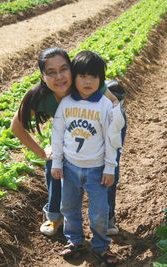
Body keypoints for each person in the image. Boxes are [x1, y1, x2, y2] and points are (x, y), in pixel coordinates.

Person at [11, 46, 125, 238]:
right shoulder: (39, 97)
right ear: (42, 76)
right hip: (71, 131)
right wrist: (42, 153)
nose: (59, 77)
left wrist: (108, 145)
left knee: (108, 169)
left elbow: (115, 106)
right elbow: (16, 127)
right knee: (53, 162)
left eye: (64, 69)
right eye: (51, 72)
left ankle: (107, 217)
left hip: (107, 126)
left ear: (72, 69)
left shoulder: (84, 84)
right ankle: (55, 216)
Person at [51, 50, 124, 265]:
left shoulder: (104, 106)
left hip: (97, 170)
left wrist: (110, 168)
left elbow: (112, 141)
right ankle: (75, 241)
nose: (88, 81)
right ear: (74, 77)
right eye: (82, 76)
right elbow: (57, 134)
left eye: (94, 77)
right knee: (68, 207)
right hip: (70, 168)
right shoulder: (65, 104)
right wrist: (56, 162)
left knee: (99, 212)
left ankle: (101, 246)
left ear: (101, 80)